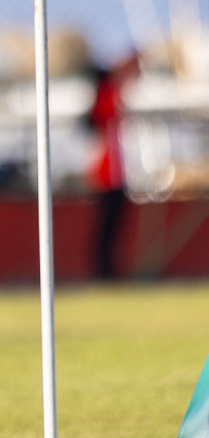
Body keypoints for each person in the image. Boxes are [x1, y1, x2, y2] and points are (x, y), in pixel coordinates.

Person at [88, 51, 141, 279]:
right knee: (106, 228)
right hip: (108, 174)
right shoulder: (107, 95)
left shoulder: (111, 94)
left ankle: (108, 270)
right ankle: (104, 271)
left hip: (115, 173)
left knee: (112, 227)